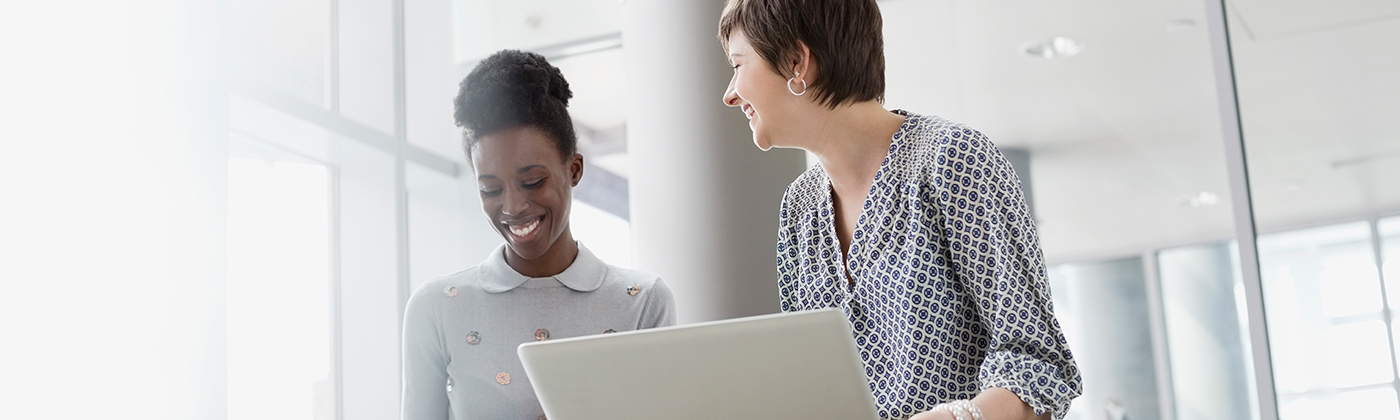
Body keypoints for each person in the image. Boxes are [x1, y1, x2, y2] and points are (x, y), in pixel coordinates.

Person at [717, 1, 1082, 419]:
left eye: (738, 65)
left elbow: (1037, 364)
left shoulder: (953, 159)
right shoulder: (799, 208)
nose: (729, 94)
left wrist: (956, 417)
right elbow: (811, 385)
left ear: (797, 62)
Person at [401, 50, 677, 420]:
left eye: (533, 181)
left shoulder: (642, 302)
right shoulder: (437, 306)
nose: (513, 207)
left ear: (574, 169)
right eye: (491, 189)